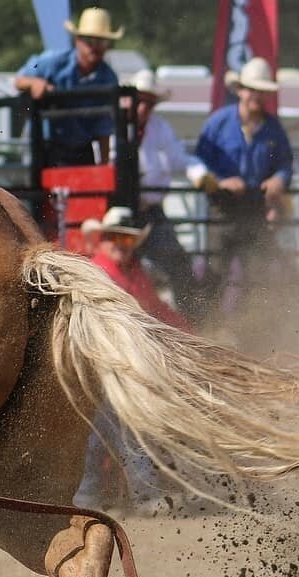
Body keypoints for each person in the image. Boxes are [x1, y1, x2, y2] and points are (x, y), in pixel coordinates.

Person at [75, 207, 186, 511]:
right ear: (103, 240)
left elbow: (157, 310)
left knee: (104, 434)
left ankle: (87, 499)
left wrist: (188, 335)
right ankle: (143, 496)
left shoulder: (134, 273)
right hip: (103, 365)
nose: (120, 246)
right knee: (126, 428)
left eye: (126, 241)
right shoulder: (98, 272)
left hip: (124, 366)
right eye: (114, 239)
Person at [195, 56, 293, 313]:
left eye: (261, 92)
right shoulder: (218, 123)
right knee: (216, 270)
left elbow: (286, 164)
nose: (256, 96)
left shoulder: (273, 129)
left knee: (255, 274)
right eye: (251, 90)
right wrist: (219, 181)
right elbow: (198, 163)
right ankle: (210, 328)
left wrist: (278, 180)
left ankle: (248, 332)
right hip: (223, 207)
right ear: (240, 90)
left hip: (254, 208)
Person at [127, 70, 216, 322]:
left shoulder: (159, 128)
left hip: (150, 212)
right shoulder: (116, 126)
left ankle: (191, 323)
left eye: (149, 102)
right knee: (121, 270)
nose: (144, 107)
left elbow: (179, 158)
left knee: (178, 265)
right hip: (120, 212)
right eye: (140, 100)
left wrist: (197, 173)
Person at [14, 6, 122, 166]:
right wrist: (34, 83)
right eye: (89, 41)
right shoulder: (53, 62)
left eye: (101, 41)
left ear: (108, 45)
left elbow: (103, 128)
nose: (95, 47)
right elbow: (19, 80)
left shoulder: (109, 79)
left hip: (81, 151)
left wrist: (104, 166)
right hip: (44, 147)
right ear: (77, 41)